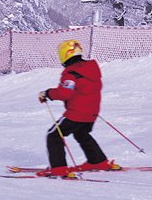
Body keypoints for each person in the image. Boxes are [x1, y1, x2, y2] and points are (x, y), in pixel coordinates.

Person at [36, 39, 120, 178]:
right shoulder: (91, 70)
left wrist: (47, 93)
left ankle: (58, 168)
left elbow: (65, 93)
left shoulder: (72, 74)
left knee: (53, 135)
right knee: (81, 134)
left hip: (75, 114)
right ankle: (97, 161)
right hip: (91, 114)